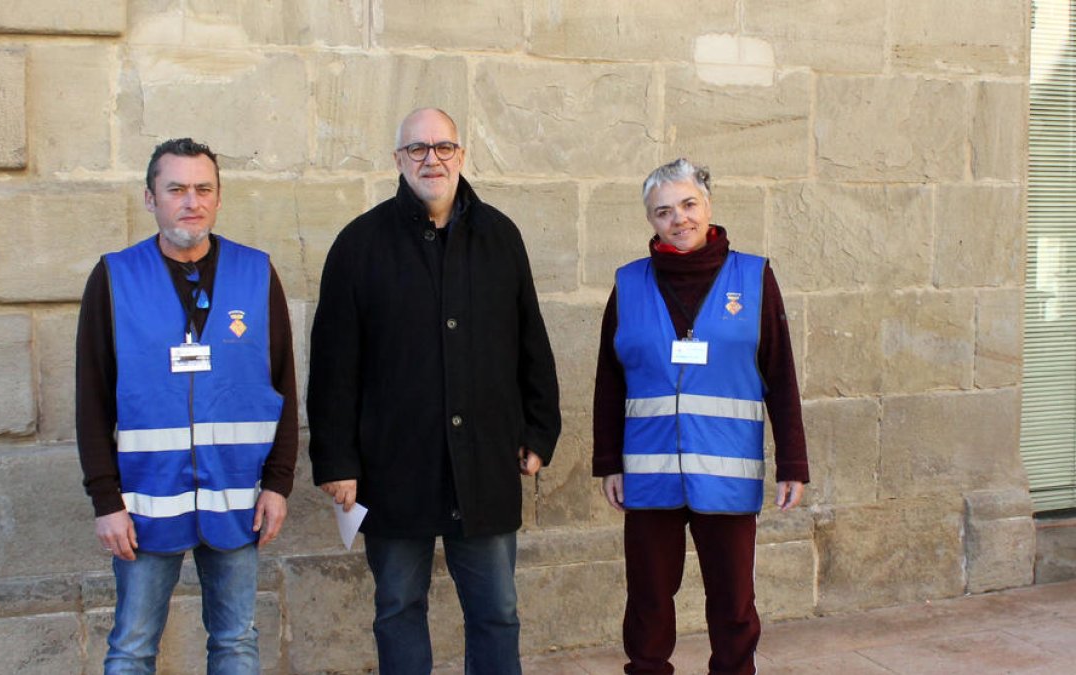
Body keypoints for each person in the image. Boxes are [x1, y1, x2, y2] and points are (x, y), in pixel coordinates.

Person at [307, 108, 562, 675]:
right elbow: (332, 365)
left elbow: (531, 344)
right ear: (398, 160)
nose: (432, 159)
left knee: (497, 610)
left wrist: (541, 431)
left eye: (444, 147)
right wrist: (336, 460)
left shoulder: (501, 237)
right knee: (398, 607)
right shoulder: (359, 244)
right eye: (418, 149)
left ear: (462, 155)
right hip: (394, 468)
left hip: (486, 464)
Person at [76, 137, 298, 674]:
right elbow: (91, 399)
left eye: (203, 189)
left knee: (236, 641)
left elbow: (284, 383)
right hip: (145, 502)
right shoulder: (114, 278)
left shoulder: (256, 272)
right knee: (131, 644)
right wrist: (106, 500)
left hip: (235, 496)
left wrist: (278, 482)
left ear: (219, 198)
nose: (190, 201)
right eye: (175, 188)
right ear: (150, 198)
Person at [592, 158, 809, 675]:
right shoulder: (629, 284)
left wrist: (793, 463)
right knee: (647, 600)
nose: (679, 219)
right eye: (663, 211)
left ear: (708, 206)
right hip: (649, 474)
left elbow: (780, 375)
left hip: (727, 474)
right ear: (650, 220)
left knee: (733, 603)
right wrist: (608, 463)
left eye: (688, 205)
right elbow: (608, 382)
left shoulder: (754, 278)